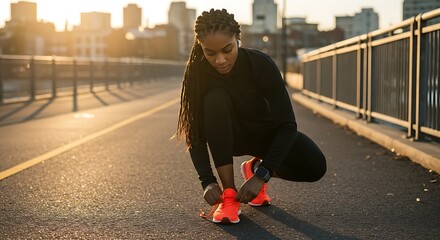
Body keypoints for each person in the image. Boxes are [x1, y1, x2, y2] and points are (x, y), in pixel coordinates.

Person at [176, 9, 326, 224]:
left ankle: (252, 168)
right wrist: (207, 181)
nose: (220, 60)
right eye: (210, 53)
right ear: (201, 48)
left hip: (266, 135)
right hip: (229, 137)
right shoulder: (197, 75)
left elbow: (287, 126)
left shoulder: (261, 65)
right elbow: (195, 133)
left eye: (227, 50)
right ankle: (229, 196)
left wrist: (261, 175)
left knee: (315, 165)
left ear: (238, 39)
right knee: (215, 98)